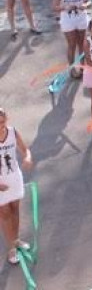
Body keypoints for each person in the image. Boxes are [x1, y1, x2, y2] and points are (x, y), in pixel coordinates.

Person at [0, 108, 34, 266]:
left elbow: (25, 150)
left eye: (2, 121)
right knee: (4, 215)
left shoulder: (12, 132)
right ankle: (11, 249)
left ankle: (16, 239)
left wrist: (27, 158)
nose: (0, 125)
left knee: (15, 210)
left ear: (7, 119)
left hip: (14, 177)